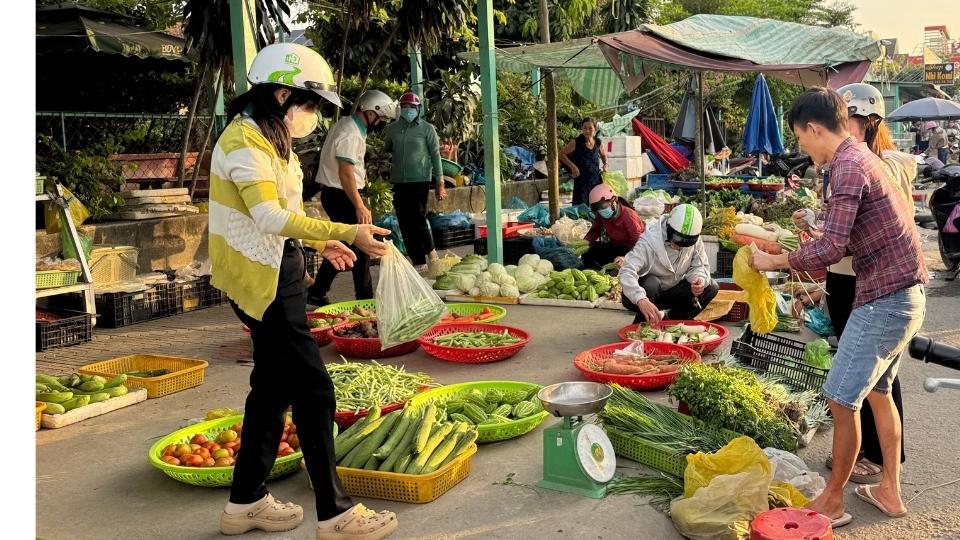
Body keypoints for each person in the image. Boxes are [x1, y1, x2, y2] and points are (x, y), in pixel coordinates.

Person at [208, 43, 398, 539]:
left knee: (270, 391)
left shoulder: (269, 139)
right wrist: (346, 230)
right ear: (281, 92)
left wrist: (325, 239)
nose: (313, 116)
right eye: (311, 105)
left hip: (276, 268)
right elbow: (267, 216)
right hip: (262, 281)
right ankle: (336, 515)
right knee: (314, 389)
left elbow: (280, 214)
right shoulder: (244, 142)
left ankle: (243, 503)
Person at [751, 87, 927, 528]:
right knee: (880, 393)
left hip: (886, 299)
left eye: (800, 139)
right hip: (905, 294)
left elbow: (832, 248)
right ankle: (889, 489)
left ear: (814, 128)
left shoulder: (848, 165)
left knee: (840, 398)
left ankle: (831, 502)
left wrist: (773, 260)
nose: (802, 148)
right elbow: (842, 237)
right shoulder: (861, 157)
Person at [307, 89, 398, 306]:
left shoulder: (348, 125)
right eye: (381, 117)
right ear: (370, 111)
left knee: (349, 244)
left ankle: (318, 292)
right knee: (362, 246)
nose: (381, 122)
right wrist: (359, 205)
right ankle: (365, 298)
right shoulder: (350, 133)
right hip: (341, 194)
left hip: (339, 193)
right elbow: (345, 173)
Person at [619, 203, 718, 324]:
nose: (679, 247)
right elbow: (626, 271)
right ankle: (644, 319)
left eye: (685, 244)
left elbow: (700, 266)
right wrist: (641, 299)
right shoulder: (649, 240)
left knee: (711, 286)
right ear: (669, 229)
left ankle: (671, 320)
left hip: (672, 291)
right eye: (677, 242)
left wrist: (699, 279)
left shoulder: (693, 240)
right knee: (651, 283)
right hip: (648, 295)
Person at [382, 91, 445, 272]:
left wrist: (440, 181)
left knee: (418, 218)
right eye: (405, 107)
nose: (408, 110)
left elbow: (435, 155)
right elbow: (386, 151)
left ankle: (431, 252)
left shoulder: (427, 129)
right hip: (398, 182)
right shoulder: (392, 129)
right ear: (400, 109)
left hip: (420, 180)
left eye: (412, 107)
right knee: (404, 222)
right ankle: (418, 262)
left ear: (419, 109)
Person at [581, 184, 644, 269]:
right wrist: (585, 243)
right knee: (588, 252)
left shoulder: (628, 216)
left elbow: (639, 242)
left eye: (604, 207)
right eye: (598, 209)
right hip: (614, 246)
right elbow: (594, 231)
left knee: (617, 261)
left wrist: (626, 258)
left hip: (631, 248)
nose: (601, 211)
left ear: (613, 200)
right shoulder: (601, 215)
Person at [560, 118, 608, 205]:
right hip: (581, 182)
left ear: (595, 129)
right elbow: (561, 154)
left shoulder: (598, 142)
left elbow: (603, 155)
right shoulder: (576, 142)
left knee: (596, 207)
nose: (587, 131)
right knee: (581, 210)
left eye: (590, 128)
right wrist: (572, 166)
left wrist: (605, 164)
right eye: (585, 128)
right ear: (582, 129)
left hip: (596, 181)